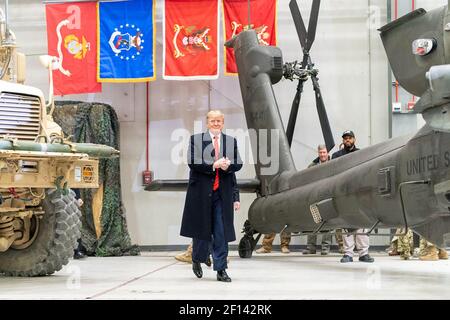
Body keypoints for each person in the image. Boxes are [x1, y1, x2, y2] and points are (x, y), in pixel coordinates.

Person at [180, 110, 242, 282]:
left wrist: (227, 167)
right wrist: (213, 164)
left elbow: (238, 164)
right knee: (201, 232)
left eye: (219, 121)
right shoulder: (196, 140)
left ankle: (221, 269)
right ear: (207, 123)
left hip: (222, 195)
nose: (216, 124)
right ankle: (197, 259)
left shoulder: (231, 141)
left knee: (221, 232)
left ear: (223, 123)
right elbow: (193, 161)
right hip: (200, 193)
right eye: (213, 121)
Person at [175, 173, 240, 264]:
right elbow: (195, 167)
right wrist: (214, 166)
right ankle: (199, 256)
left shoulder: (227, 160)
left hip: (220, 195)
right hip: (203, 194)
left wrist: (236, 197)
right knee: (203, 229)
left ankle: (220, 264)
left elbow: (231, 176)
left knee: (220, 230)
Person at [332, 130, 374, 263]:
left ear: (354, 139)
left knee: (363, 224)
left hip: (358, 192)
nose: (347, 140)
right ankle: (348, 254)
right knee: (347, 224)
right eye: (345, 138)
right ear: (343, 140)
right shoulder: (336, 156)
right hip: (343, 194)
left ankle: (363, 253)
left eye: (350, 138)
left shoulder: (360, 154)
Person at [302, 144, 332, 255]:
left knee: (328, 222)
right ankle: (311, 248)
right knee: (312, 222)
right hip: (314, 197)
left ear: (327, 153)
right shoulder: (312, 166)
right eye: (321, 153)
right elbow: (307, 181)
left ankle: (325, 247)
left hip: (328, 196)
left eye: (324, 152)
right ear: (318, 153)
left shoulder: (333, 164)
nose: (323, 155)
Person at [73, 189, 87, 259]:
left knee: (75, 225)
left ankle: (77, 250)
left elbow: (75, 184)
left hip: (71, 199)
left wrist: (78, 198)